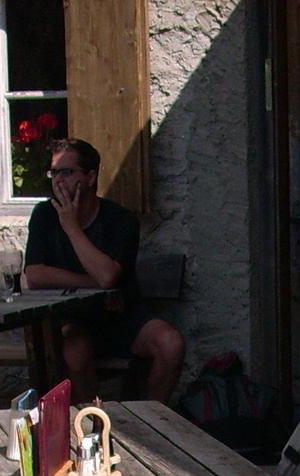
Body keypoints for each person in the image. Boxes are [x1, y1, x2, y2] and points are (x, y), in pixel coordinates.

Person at [22, 138, 184, 406]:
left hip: (123, 316)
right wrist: (96, 287)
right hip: (75, 318)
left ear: (90, 176)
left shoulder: (120, 220)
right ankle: (95, 429)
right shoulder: (44, 215)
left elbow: (108, 275)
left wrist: (72, 228)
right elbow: (36, 276)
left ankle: (156, 422)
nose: (58, 180)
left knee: (171, 344)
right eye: (54, 172)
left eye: (66, 171)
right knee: (73, 351)